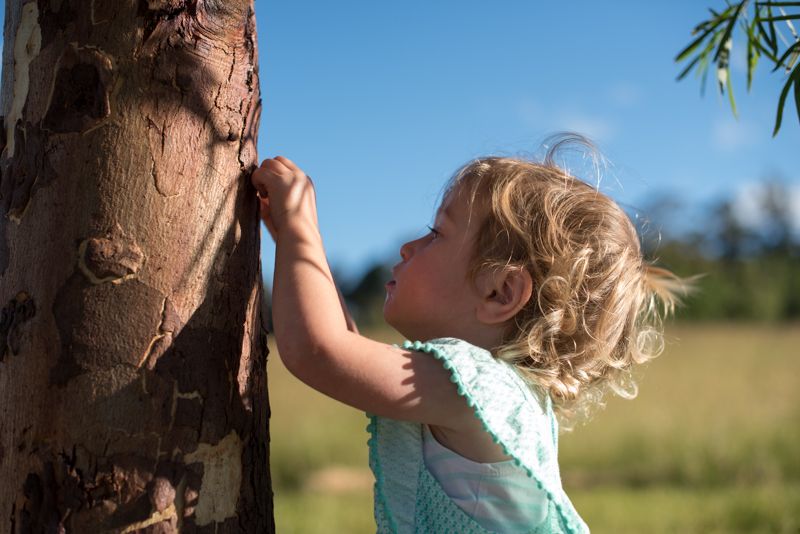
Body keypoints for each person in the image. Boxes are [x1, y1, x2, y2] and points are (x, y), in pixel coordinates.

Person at [251, 135, 687, 533]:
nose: (407, 247)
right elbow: (347, 349)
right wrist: (298, 247)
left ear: (499, 292)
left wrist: (299, 229)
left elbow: (322, 352)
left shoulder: (481, 387)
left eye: (435, 233)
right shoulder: (493, 391)